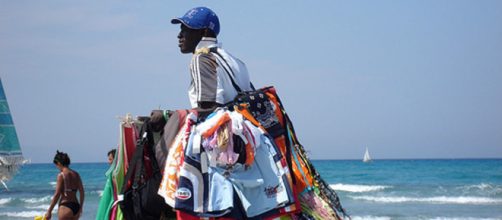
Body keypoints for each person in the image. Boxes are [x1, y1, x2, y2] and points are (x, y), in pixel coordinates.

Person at [172, 6, 254, 112]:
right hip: (247, 126)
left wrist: (168, 116)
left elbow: (210, 110)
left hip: (227, 127)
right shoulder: (237, 62)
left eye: (185, 29)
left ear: (204, 32)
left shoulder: (201, 59)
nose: (179, 35)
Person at [45, 150, 85, 220]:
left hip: (65, 207)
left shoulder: (61, 175)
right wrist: (80, 207)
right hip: (76, 206)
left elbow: (57, 194)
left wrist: (49, 211)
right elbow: (82, 192)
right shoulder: (76, 174)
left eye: (56, 165)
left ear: (59, 163)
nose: (57, 167)